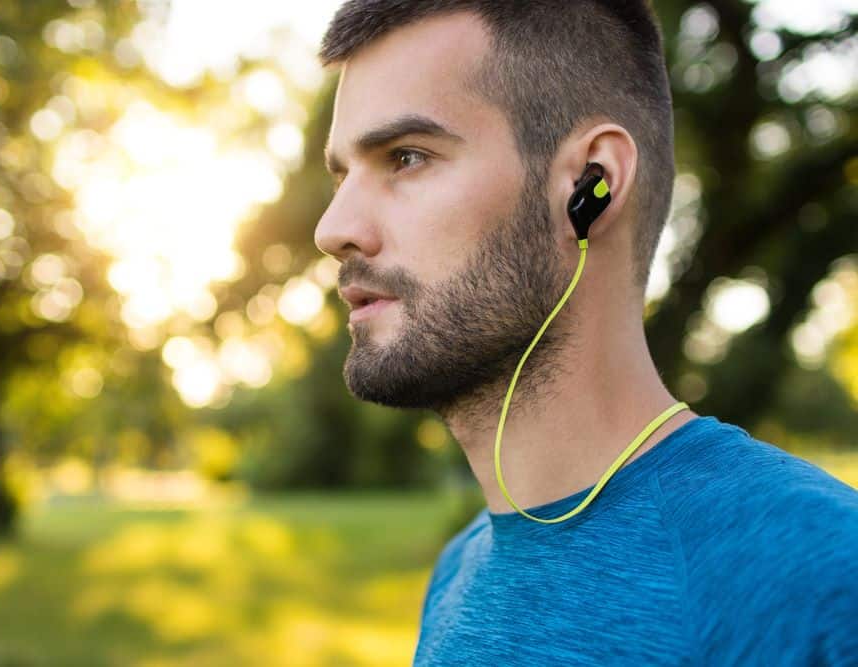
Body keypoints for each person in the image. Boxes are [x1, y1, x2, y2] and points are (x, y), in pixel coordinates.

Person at [312, 1, 858, 664]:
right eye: (341, 174)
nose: (333, 228)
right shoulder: (460, 572)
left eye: (406, 157)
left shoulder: (820, 580)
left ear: (590, 183)